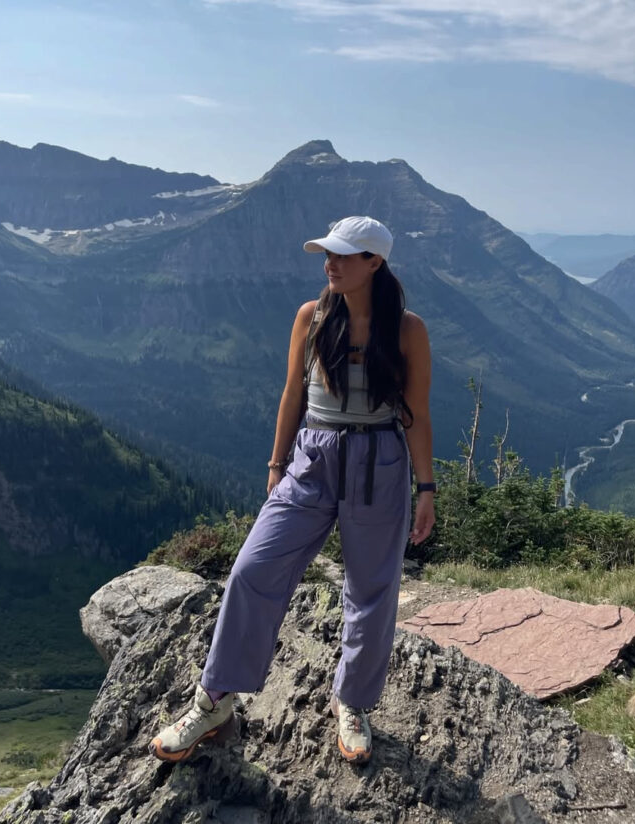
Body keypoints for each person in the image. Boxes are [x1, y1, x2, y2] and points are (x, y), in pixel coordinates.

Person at [150, 215, 435, 765]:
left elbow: (417, 413)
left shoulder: (407, 330)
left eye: (344, 255)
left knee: (372, 589)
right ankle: (214, 701)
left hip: (379, 460)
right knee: (251, 570)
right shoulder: (312, 316)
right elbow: (292, 394)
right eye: (328, 253)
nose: (330, 263)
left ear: (375, 262)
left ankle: (352, 702)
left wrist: (426, 488)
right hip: (313, 456)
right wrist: (277, 464)